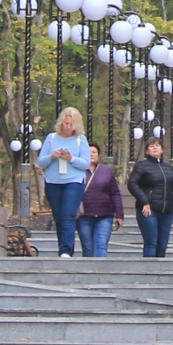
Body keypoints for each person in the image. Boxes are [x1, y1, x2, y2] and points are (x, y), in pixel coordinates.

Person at [37, 106, 93, 257]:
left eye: (71, 125)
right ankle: (63, 245)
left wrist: (71, 158)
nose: (68, 127)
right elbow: (41, 162)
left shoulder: (81, 140)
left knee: (68, 214)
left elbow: (85, 163)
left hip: (73, 181)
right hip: (53, 182)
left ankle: (66, 250)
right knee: (58, 216)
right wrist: (52, 156)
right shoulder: (51, 138)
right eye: (66, 123)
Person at [77, 145, 124, 258]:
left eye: (94, 152)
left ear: (98, 155)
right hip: (84, 216)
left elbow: (115, 193)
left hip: (104, 215)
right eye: (88, 152)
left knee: (101, 245)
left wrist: (119, 214)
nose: (91, 154)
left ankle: (101, 272)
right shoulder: (77, 170)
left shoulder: (106, 171)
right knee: (88, 248)